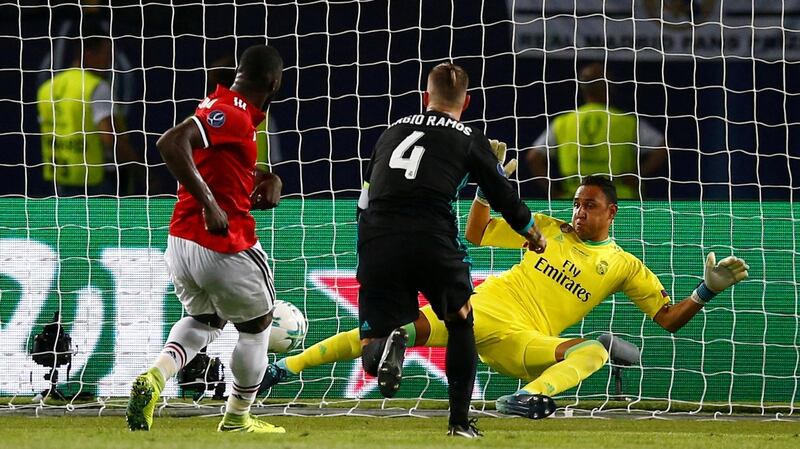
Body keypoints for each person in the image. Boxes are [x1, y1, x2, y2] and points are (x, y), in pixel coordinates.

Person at [261, 174, 749, 420]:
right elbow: (475, 233)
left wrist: (706, 290)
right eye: (576, 203)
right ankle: (284, 370)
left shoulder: (624, 266)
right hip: (487, 307)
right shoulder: (547, 229)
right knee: (387, 331)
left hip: (527, 342)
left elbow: (667, 318)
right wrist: (483, 188)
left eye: (590, 205)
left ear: (612, 212)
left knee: (593, 348)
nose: (578, 212)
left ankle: (529, 397)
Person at [347, 63, 545, 438]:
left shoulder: (392, 130)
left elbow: (363, 198)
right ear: (466, 101)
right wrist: (531, 232)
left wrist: (371, 246)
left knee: (370, 347)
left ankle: (389, 344)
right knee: (460, 320)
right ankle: (458, 423)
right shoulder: (470, 138)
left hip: (378, 237)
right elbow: (502, 195)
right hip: (431, 237)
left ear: (426, 97)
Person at [126, 44, 286, 433]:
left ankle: (155, 377)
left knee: (205, 319)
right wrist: (211, 204)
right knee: (258, 325)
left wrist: (263, 178)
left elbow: (217, 162)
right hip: (223, 241)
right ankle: (237, 419)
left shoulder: (232, 110)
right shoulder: (229, 111)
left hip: (183, 242)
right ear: (273, 82)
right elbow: (170, 143)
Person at [526, 63, 667, 200]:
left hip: (575, 201)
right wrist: (638, 174)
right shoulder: (626, 122)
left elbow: (533, 157)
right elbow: (663, 147)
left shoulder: (563, 122)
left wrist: (553, 193)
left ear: (583, 88)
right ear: (609, 87)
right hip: (619, 202)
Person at [37, 35, 139, 196]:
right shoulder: (96, 87)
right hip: (98, 179)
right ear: (89, 55)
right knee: (106, 222)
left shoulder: (47, 88)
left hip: (62, 177)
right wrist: (141, 169)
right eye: (106, 56)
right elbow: (109, 137)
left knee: (68, 222)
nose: (109, 64)